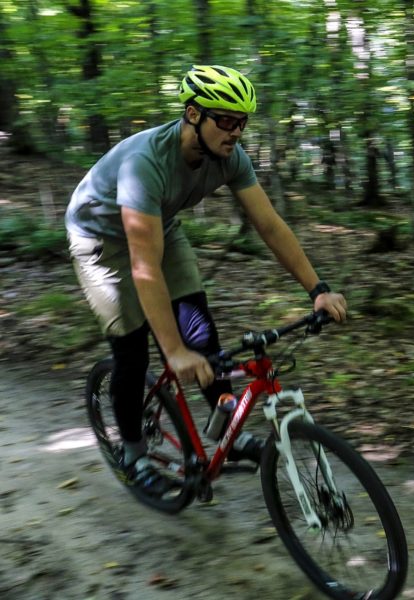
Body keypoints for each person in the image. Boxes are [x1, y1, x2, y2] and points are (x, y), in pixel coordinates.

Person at [65, 65, 347, 497]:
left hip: (158, 223)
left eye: (242, 122)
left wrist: (319, 289)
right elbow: (144, 267)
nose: (236, 132)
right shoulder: (145, 163)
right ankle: (134, 453)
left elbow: (270, 225)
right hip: (100, 239)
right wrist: (173, 352)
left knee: (200, 332)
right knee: (134, 350)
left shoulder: (230, 158)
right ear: (194, 115)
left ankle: (225, 435)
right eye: (227, 121)